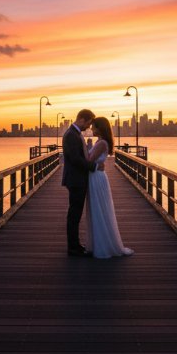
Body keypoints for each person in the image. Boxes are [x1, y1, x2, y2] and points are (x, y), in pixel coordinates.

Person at [84, 117, 134, 258]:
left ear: (100, 128)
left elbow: (89, 159)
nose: (91, 129)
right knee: (98, 208)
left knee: (98, 209)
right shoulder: (100, 142)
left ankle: (102, 245)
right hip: (97, 175)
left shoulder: (101, 143)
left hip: (96, 177)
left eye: (94, 127)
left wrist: (87, 147)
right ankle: (98, 242)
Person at [62, 109, 96, 256]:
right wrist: (93, 166)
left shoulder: (74, 134)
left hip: (77, 179)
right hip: (75, 180)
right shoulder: (71, 135)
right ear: (82, 119)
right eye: (88, 124)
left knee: (75, 213)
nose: (88, 127)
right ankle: (73, 247)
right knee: (74, 214)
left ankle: (75, 244)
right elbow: (75, 159)